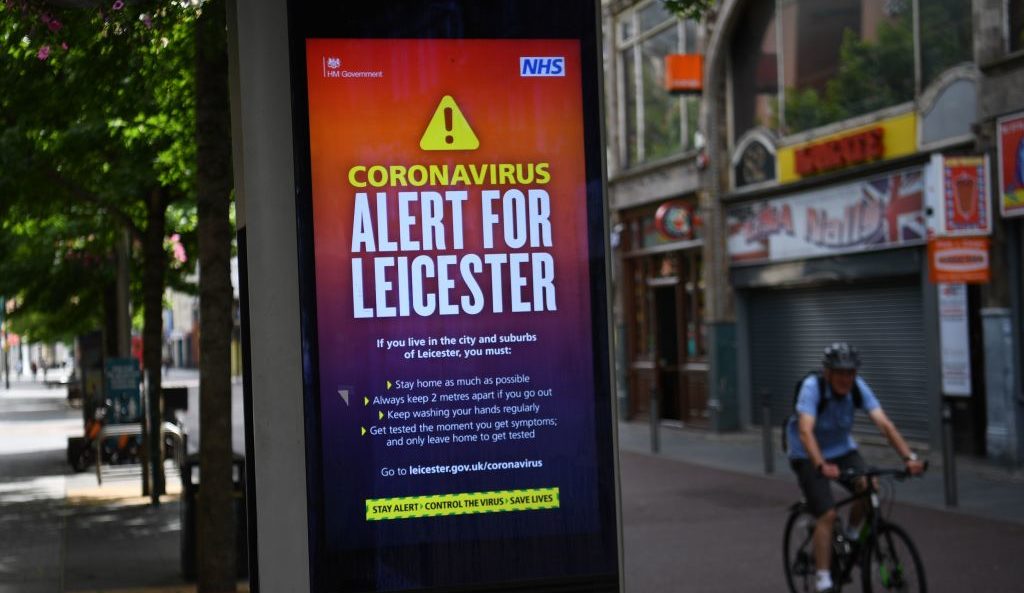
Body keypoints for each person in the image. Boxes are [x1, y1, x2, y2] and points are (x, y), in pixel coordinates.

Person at [785, 342, 925, 593]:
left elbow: (884, 424)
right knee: (827, 514)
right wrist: (821, 464)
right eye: (840, 372)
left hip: (842, 450)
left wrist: (909, 458)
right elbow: (805, 431)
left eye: (850, 372)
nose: (846, 379)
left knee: (870, 485)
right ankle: (823, 580)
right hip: (807, 454)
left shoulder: (858, 387)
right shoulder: (812, 387)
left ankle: (850, 536)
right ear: (827, 372)